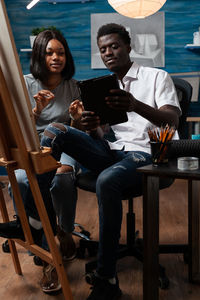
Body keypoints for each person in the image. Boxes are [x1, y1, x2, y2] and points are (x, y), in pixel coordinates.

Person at [0, 23, 181, 299]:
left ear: (128, 47)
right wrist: (92, 126)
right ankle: (36, 219)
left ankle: (106, 279)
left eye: (114, 46)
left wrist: (135, 105)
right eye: (103, 49)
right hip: (109, 149)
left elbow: (172, 119)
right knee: (56, 131)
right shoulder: (102, 87)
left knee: (107, 180)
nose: (108, 52)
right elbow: (103, 133)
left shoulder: (156, 77)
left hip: (144, 154)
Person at [1, 29, 81, 293]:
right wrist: (36, 111)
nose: (56, 57)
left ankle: (65, 232)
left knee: (62, 178)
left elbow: (77, 130)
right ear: (39, 55)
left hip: (65, 144)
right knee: (23, 179)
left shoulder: (75, 87)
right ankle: (46, 248)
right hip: (34, 146)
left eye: (60, 52)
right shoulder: (24, 84)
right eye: (49, 53)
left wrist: (76, 119)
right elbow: (16, 127)